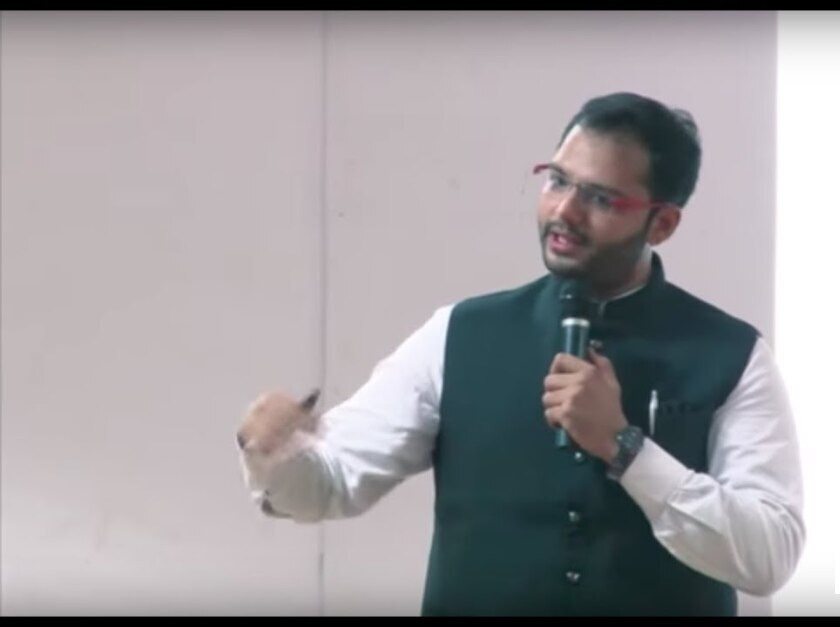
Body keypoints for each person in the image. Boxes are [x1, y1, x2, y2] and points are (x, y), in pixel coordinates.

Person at [236, 92, 805, 616]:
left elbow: (769, 555)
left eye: (600, 198)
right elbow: (331, 483)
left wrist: (625, 448)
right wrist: (275, 454)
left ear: (663, 224)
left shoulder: (733, 355)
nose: (566, 211)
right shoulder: (458, 334)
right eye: (557, 180)